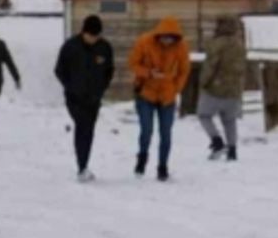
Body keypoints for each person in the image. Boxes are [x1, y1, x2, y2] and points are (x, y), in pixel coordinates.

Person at [128, 17, 190, 181]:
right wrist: (148, 73)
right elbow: (133, 63)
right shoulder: (144, 41)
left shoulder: (181, 47)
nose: (167, 41)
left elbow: (184, 71)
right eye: (164, 37)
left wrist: (176, 89)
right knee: (146, 130)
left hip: (167, 95)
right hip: (146, 93)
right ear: (158, 34)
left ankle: (163, 166)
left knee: (166, 134)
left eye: (171, 38)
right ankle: (142, 158)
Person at [54, 15, 115, 181]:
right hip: (75, 98)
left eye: (96, 36)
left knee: (88, 130)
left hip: (94, 98)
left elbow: (109, 70)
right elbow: (59, 70)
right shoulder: (70, 46)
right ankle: (82, 166)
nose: (93, 39)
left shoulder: (105, 48)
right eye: (90, 36)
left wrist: (102, 88)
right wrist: (71, 87)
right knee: (83, 126)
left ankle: (83, 165)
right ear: (83, 32)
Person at [197, 15, 246, 161]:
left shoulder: (216, 43)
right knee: (230, 120)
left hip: (216, 87)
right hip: (234, 88)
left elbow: (210, 65)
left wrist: (203, 81)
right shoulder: (240, 44)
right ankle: (232, 150)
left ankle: (217, 141)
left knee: (204, 115)